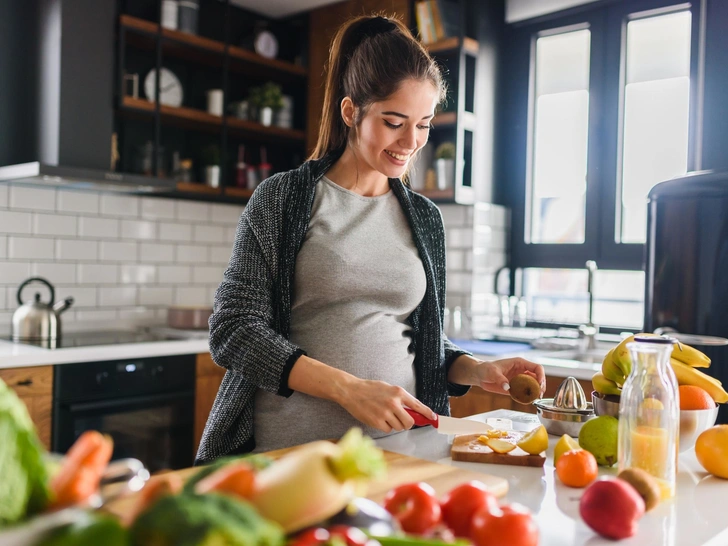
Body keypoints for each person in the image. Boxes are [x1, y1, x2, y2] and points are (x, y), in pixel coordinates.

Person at [196, 14, 545, 463]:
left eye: (423, 124)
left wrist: (476, 370)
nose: (411, 141)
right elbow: (234, 330)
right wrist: (348, 390)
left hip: (399, 454)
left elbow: (420, 340)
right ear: (350, 112)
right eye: (394, 121)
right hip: (288, 455)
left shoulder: (424, 218)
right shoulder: (283, 199)